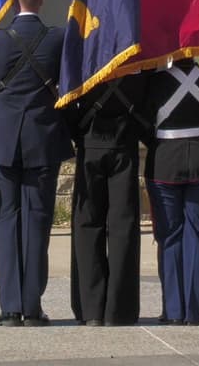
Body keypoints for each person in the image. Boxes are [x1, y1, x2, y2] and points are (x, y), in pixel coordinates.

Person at [0, 0, 73, 327]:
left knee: (7, 219)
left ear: (15, 1)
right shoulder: (57, 38)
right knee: (38, 220)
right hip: (43, 140)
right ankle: (32, 306)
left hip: (3, 142)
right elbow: (68, 86)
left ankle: (9, 306)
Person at [144, 59, 199, 326]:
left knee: (169, 235)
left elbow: (144, 120)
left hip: (165, 161)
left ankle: (173, 309)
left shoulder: (155, 81)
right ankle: (194, 310)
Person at [69, 72, 148, 327]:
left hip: (90, 142)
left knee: (87, 225)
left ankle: (90, 307)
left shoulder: (86, 60)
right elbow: (148, 105)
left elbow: (67, 101)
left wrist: (78, 132)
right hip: (124, 142)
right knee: (123, 226)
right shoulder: (138, 65)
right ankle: (119, 309)